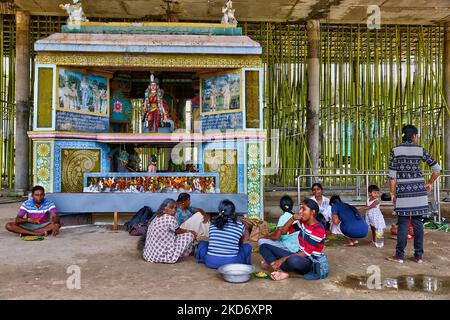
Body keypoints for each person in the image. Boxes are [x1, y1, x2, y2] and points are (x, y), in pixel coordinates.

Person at [386, 124, 441, 264]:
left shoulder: (395, 151)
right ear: (415, 136)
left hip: (403, 192)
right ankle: (418, 256)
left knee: (403, 224)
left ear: (403, 136)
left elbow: (392, 177)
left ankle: (399, 256)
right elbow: (437, 169)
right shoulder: (420, 150)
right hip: (419, 192)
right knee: (418, 223)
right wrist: (429, 183)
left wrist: (392, 193)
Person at [259, 199, 326, 281]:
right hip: (298, 254)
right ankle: (278, 271)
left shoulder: (318, 229)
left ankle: (272, 265)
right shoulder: (302, 223)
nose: (300, 211)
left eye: (304, 209)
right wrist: (292, 219)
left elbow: (306, 253)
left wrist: (282, 259)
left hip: (310, 262)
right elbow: (283, 231)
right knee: (264, 246)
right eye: (300, 208)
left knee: (293, 260)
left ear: (313, 212)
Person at [195, 199, 252, 269]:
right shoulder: (240, 225)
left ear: (220, 211)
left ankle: (200, 259)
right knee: (247, 247)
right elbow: (243, 241)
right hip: (232, 263)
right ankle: (245, 264)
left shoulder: (213, 224)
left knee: (202, 244)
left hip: (211, 262)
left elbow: (212, 241)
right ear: (233, 212)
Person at [143, 199, 196, 263]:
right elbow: (179, 231)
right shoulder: (170, 218)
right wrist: (189, 231)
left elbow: (176, 231)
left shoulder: (157, 217)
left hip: (149, 255)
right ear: (164, 209)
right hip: (162, 256)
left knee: (178, 236)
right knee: (189, 236)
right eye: (171, 208)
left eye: (175, 208)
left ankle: (186, 251)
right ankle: (180, 254)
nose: (174, 210)